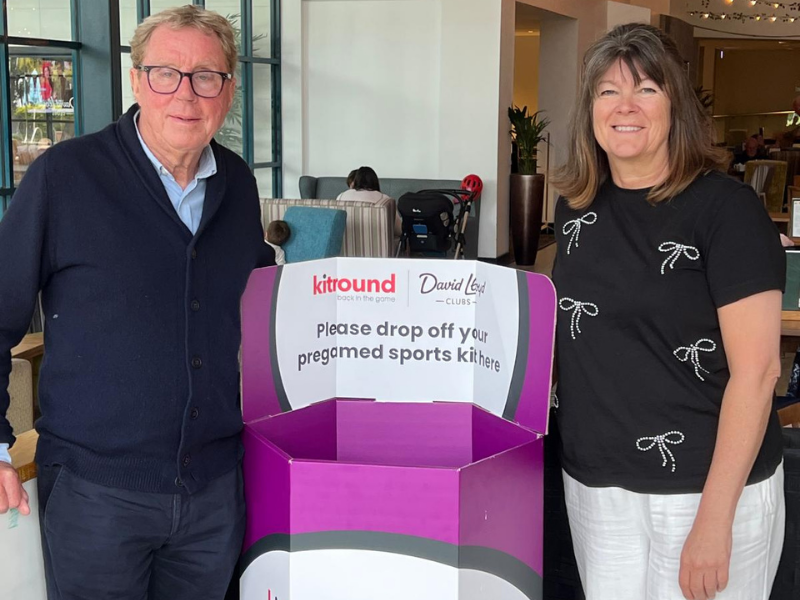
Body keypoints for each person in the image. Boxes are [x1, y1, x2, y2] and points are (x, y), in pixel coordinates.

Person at [0, 6, 274, 600]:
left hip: (213, 494)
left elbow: (251, 305)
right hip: (97, 495)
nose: (186, 93)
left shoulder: (237, 184)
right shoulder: (64, 177)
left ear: (228, 90)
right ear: (135, 80)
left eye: (207, 75)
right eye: (164, 73)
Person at [551, 23, 785, 600]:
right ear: (590, 110)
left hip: (701, 488)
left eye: (647, 89)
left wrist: (714, 520)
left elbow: (758, 373)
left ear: (675, 105)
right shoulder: (576, 208)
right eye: (608, 91)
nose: (625, 106)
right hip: (595, 483)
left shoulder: (726, 212)